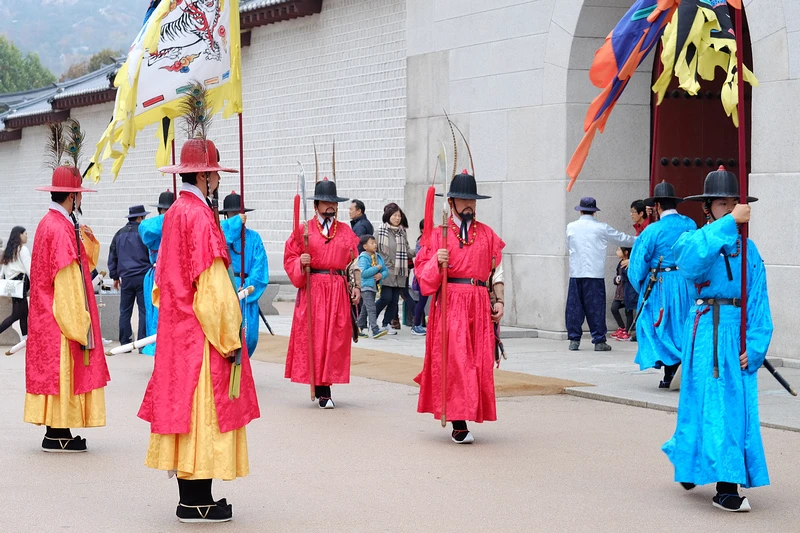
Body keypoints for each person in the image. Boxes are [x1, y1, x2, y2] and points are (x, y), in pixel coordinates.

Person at [138, 90, 259, 523]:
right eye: (216, 176)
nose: (219, 182)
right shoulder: (200, 217)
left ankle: (190, 497)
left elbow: (164, 282)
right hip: (200, 333)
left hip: (176, 328)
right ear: (207, 176)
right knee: (204, 415)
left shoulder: (174, 214)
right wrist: (230, 336)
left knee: (186, 415)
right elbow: (211, 285)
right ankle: (198, 499)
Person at [662, 167, 771, 512]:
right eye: (723, 203)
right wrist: (726, 225)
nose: (731, 208)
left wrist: (755, 345)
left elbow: (758, 298)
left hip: (735, 334)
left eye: (734, 202)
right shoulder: (694, 239)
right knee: (703, 403)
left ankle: (720, 478)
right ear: (708, 207)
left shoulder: (748, 250)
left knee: (733, 410)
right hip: (706, 330)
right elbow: (690, 263)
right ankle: (709, 475)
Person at [24, 119, 110, 452]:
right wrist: (81, 323)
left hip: (46, 314)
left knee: (54, 375)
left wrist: (81, 234)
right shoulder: (59, 229)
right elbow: (69, 280)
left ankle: (56, 432)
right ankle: (57, 434)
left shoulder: (51, 224)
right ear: (72, 197)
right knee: (63, 373)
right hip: (59, 315)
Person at [415, 167, 505, 444]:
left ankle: (467, 411)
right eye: (464, 200)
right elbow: (422, 277)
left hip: (479, 302)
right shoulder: (436, 235)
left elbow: (497, 271)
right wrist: (435, 261)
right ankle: (458, 420)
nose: (469, 205)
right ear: (451, 202)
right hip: (451, 302)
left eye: (473, 200)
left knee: (478, 362)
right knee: (456, 361)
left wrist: (499, 299)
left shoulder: (488, 234)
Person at [284, 175, 361, 408]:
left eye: (334, 203)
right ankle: (321, 388)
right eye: (326, 203)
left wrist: (356, 286)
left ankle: (326, 385)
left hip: (337, 291)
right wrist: (301, 262)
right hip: (314, 290)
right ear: (316, 204)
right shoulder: (304, 230)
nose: (331, 207)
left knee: (334, 339)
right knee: (315, 338)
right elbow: (290, 257)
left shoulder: (346, 231)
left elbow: (354, 263)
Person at [628, 181, 696, 388]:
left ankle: (671, 371)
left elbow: (638, 265)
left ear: (657, 206)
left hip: (662, 285)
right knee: (685, 324)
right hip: (687, 283)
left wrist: (640, 285)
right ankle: (683, 369)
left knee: (659, 324)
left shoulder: (652, 231)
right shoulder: (691, 224)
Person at [565, 197, 636, 351]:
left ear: (581, 210)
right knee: (596, 307)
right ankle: (598, 340)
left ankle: (574, 339)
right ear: (594, 212)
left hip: (576, 272)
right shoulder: (601, 227)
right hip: (594, 273)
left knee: (574, 306)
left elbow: (568, 246)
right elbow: (622, 238)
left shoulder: (571, 227)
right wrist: (641, 239)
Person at [220, 191, 269, 357]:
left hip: (247, 290)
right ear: (226, 215)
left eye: (238, 214)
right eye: (232, 214)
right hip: (226, 289)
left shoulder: (254, 238)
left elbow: (260, 266)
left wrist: (247, 286)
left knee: (249, 338)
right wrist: (232, 227)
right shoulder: (220, 235)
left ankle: (243, 372)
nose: (236, 217)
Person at [138, 190, 175, 356]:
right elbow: (143, 228)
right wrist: (171, 217)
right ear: (159, 212)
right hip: (157, 277)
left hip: (174, 277)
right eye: (164, 211)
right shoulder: (152, 228)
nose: (166, 213)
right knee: (156, 317)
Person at [108, 205, 151, 346]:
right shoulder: (143, 233)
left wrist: (114, 276)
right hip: (142, 277)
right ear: (139, 218)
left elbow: (112, 256)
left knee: (125, 311)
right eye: (143, 217)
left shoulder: (119, 234)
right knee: (143, 311)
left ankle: (125, 342)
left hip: (125, 279)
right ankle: (142, 343)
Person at [375, 203, 413, 334]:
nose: (397, 218)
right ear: (388, 216)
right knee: (386, 297)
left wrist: (420, 251)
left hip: (399, 271)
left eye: (399, 215)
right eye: (394, 215)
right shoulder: (379, 232)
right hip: (385, 270)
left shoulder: (402, 233)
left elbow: (407, 251)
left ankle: (386, 324)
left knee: (395, 300)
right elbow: (373, 251)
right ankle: (370, 319)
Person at [0, 226, 31, 342]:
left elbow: (3, 269)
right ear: (19, 235)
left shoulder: (10, 250)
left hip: (12, 284)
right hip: (20, 283)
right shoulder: (23, 249)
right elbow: (29, 268)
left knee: (24, 313)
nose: (27, 236)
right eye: (25, 234)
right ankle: (25, 339)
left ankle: (25, 340)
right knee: (16, 314)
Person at [357, 234, 389, 338]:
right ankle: (375, 329)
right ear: (365, 246)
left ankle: (358, 327)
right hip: (366, 286)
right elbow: (363, 273)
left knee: (366, 308)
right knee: (371, 308)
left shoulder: (378, 256)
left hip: (374, 287)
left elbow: (385, 270)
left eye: (375, 243)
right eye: (372, 243)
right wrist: (376, 268)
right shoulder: (363, 257)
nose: (375, 245)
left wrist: (381, 275)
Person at [609, 247, 633, 341]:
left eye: (619, 250)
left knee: (628, 311)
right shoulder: (620, 263)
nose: (617, 252)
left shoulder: (630, 263)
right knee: (614, 308)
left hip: (629, 291)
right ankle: (622, 328)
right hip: (620, 292)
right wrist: (616, 280)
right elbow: (618, 275)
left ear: (626, 252)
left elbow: (630, 276)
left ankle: (628, 331)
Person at [411, 219, 428, 336]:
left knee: (423, 301)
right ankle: (416, 325)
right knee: (422, 301)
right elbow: (421, 259)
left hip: (427, 275)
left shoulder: (427, 240)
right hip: (423, 275)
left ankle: (418, 324)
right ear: (422, 229)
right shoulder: (421, 242)